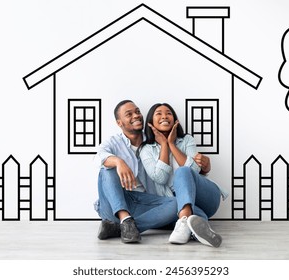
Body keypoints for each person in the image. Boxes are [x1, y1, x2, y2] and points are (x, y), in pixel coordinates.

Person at [138, 103, 228, 247]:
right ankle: (191, 226)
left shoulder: (187, 140)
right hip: (178, 202)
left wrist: (171, 144)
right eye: (158, 113)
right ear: (150, 123)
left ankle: (183, 220)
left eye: (168, 113)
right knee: (199, 216)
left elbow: (195, 170)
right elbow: (160, 178)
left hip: (206, 197)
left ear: (175, 120)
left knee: (183, 171)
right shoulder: (146, 149)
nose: (164, 116)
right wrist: (164, 146)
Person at [94, 100, 178, 243]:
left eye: (138, 112)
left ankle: (122, 227)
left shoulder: (154, 140)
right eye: (129, 114)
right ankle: (124, 217)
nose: (136, 116)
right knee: (107, 169)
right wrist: (118, 162)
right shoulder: (114, 142)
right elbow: (98, 157)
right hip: (118, 202)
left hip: (146, 204)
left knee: (177, 204)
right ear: (120, 123)